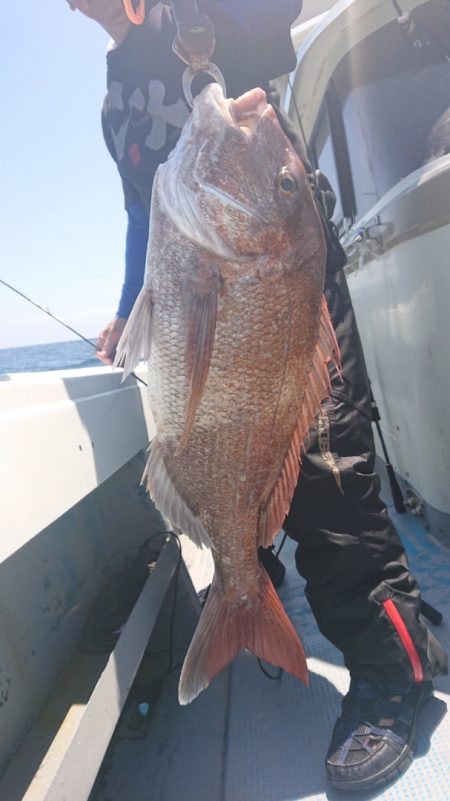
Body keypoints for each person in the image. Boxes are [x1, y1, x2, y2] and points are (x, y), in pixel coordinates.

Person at [66, 0, 448, 792]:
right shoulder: (113, 102)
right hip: (204, 286)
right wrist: (127, 304)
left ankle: (396, 673)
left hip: (278, 282)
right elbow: (141, 210)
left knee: (332, 484)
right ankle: (249, 590)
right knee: (233, 467)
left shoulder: (198, 14)